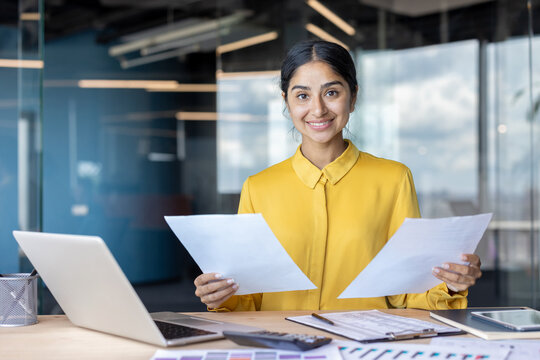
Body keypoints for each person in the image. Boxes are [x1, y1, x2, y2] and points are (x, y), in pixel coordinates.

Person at [194, 40, 482, 311]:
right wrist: (222, 296)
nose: (318, 109)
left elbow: (407, 291)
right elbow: (250, 299)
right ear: (287, 102)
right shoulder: (258, 188)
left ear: (353, 97)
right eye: (302, 96)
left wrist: (452, 285)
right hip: (283, 345)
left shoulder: (393, 179)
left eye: (332, 93)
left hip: (365, 346)